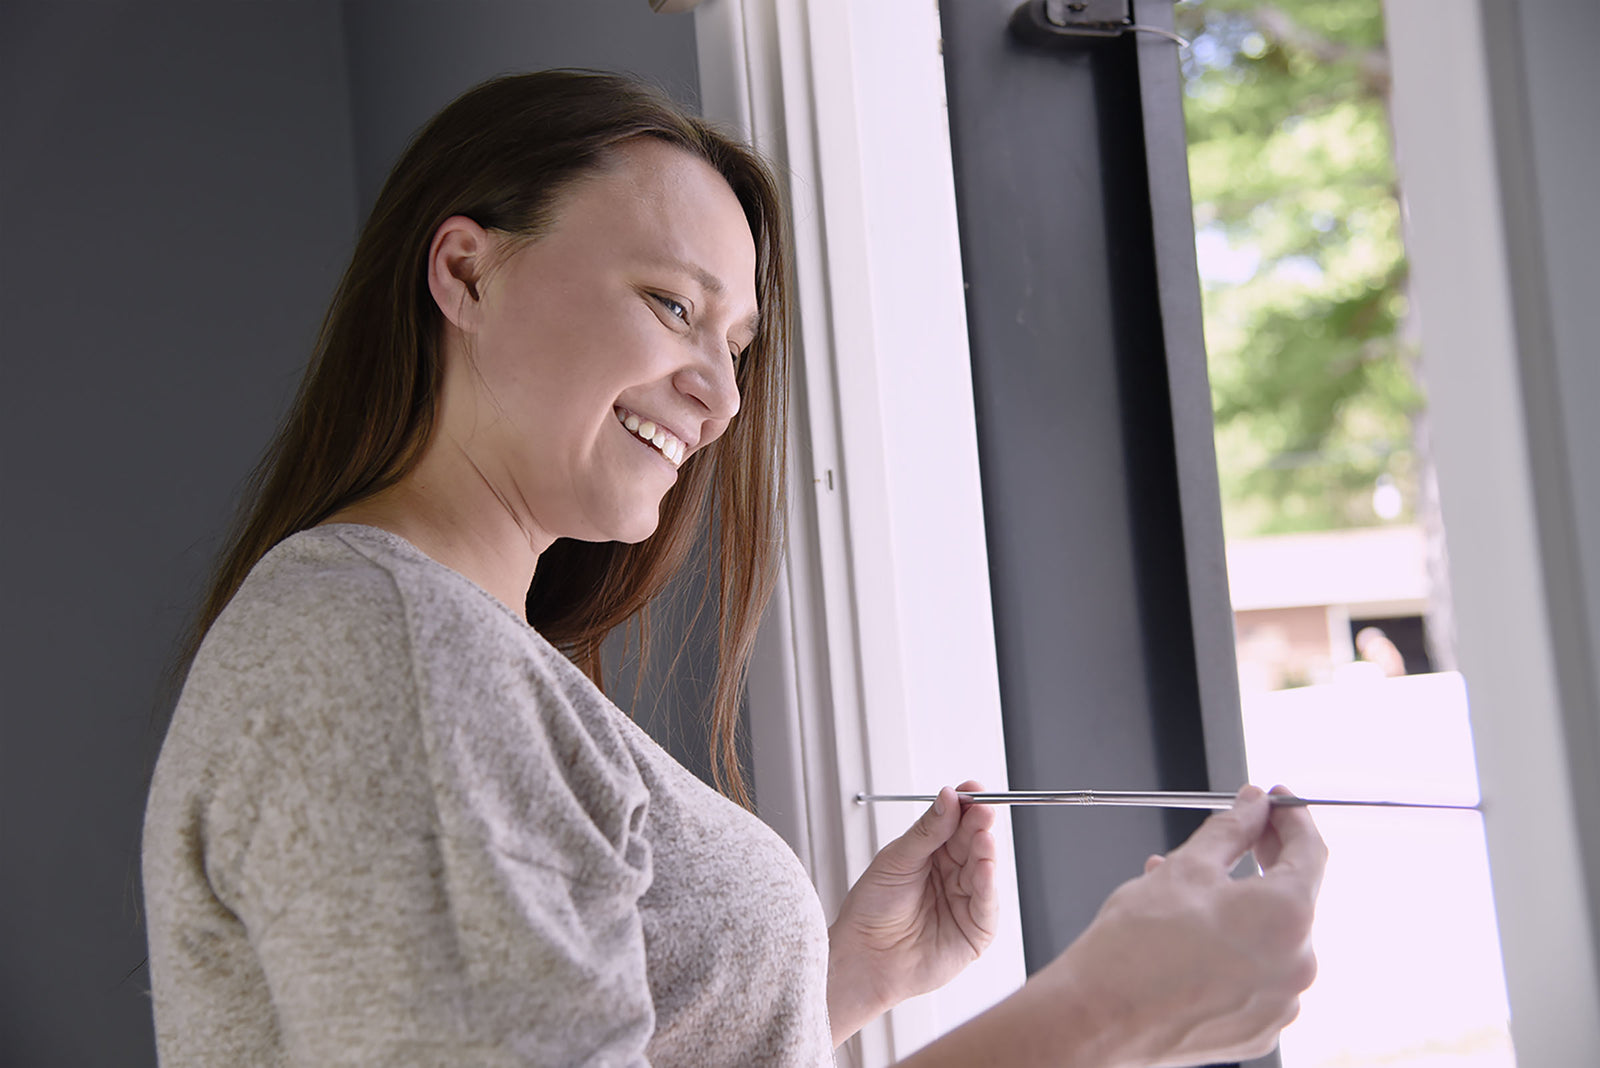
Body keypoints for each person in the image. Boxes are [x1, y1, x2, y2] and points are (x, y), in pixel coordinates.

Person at [142, 71, 1325, 1067]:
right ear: (464, 273)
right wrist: (1098, 1018)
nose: (718, 395)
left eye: (737, 345)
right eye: (670, 305)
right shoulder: (391, 648)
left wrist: (809, 987)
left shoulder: (454, 648)